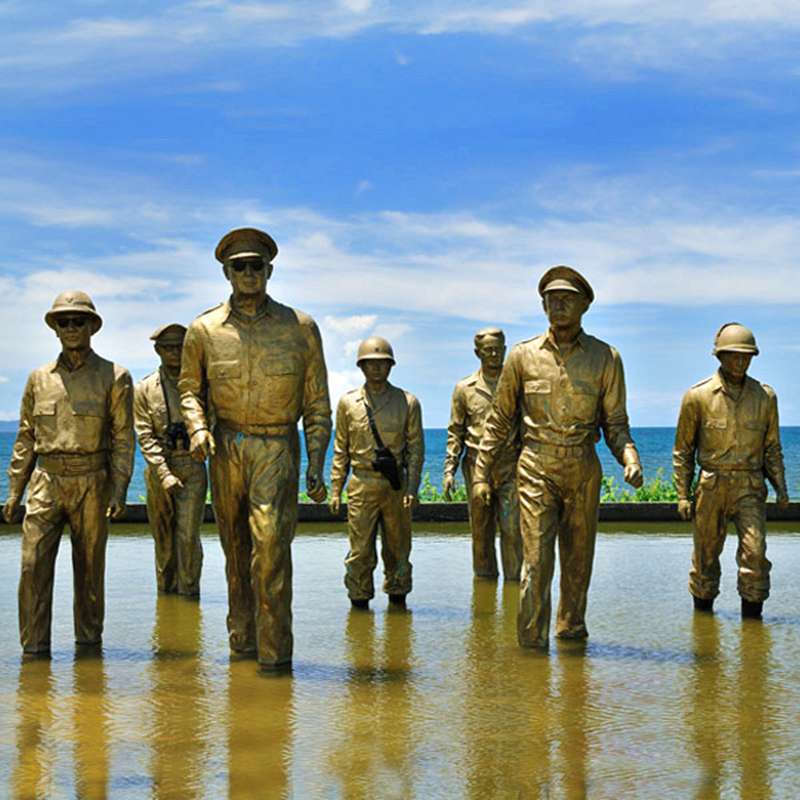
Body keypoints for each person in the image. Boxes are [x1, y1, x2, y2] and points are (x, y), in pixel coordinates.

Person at [179, 227, 331, 670]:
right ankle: (242, 644)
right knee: (235, 554)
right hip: (225, 447)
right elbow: (190, 390)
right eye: (239, 267)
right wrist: (197, 428)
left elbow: (317, 403)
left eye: (256, 266)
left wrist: (316, 463)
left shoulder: (300, 327)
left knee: (270, 552)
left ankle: (275, 659)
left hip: (276, 447)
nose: (248, 273)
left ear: (270, 270)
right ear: (227, 273)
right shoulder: (203, 330)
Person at [473, 266, 643, 649]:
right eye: (551, 299)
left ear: (584, 305)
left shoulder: (605, 358)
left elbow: (615, 423)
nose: (558, 305)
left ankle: (571, 637)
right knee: (535, 563)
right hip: (535, 467)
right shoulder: (522, 357)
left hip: (582, 467)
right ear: (543, 305)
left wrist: (629, 457)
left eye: (567, 299)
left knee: (578, 564)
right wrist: (482, 473)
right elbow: (499, 422)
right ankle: (531, 646)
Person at [3, 290, 134, 654]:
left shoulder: (115, 376)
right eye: (64, 322)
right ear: (55, 329)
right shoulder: (37, 379)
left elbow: (124, 438)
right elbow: (25, 437)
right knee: (31, 568)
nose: (72, 327)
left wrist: (119, 488)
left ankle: (89, 657)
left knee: (90, 573)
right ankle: (33, 654)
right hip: (46, 481)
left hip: (93, 480)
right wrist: (15, 492)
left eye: (79, 321)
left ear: (92, 326)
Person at [673, 323, 788, 619]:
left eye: (746, 356)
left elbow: (772, 448)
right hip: (711, 485)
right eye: (734, 355)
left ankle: (753, 629)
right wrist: (683, 495)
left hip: (749, 485)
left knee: (755, 554)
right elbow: (683, 451)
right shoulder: (697, 397)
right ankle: (703, 631)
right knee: (705, 559)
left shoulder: (765, 397)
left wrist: (781, 487)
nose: (740, 362)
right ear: (720, 356)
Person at [329, 336, 424, 609]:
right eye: (370, 364)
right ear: (361, 366)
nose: (376, 369)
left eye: (382, 364)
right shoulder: (348, 403)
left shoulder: (407, 402)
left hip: (394, 486)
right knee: (360, 552)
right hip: (361, 483)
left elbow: (415, 450)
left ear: (391, 366)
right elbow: (341, 450)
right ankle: (359, 606)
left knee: (398, 550)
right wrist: (336, 488)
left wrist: (412, 489)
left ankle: (398, 602)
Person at [443, 327, 522, 580]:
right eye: (488, 350)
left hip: (511, 466)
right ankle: (484, 590)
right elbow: (455, 432)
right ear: (477, 353)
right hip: (476, 467)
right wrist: (449, 471)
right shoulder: (464, 389)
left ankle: (514, 587)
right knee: (481, 532)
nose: (494, 354)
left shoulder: (517, 385)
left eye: (499, 349)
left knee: (513, 530)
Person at [134, 324, 207, 596]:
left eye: (180, 346)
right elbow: (145, 436)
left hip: (192, 464)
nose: (174, 352)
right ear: (157, 350)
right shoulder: (143, 389)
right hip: (159, 468)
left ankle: (189, 596)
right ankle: (166, 599)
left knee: (188, 537)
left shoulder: (203, 384)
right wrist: (164, 473)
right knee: (163, 540)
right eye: (168, 347)